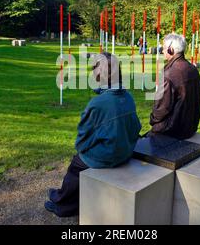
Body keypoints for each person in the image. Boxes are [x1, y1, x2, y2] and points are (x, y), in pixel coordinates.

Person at [45, 52, 142, 217]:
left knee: (76, 164)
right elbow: (136, 128)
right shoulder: (128, 97)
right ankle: (64, 196)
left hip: (109, 156)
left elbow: (82, 138)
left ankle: (64, 205)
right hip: (125, 151)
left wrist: (82, 152)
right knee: (81, 161)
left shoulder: (98, 103)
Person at [149, 33, 200, 140]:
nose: (162, 51)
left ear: (171, 50)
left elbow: (160, 109)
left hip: (172, 131)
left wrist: (152, 120)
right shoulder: (193, 69)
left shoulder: (169, 74)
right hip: (190, 128)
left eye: (163, 48)